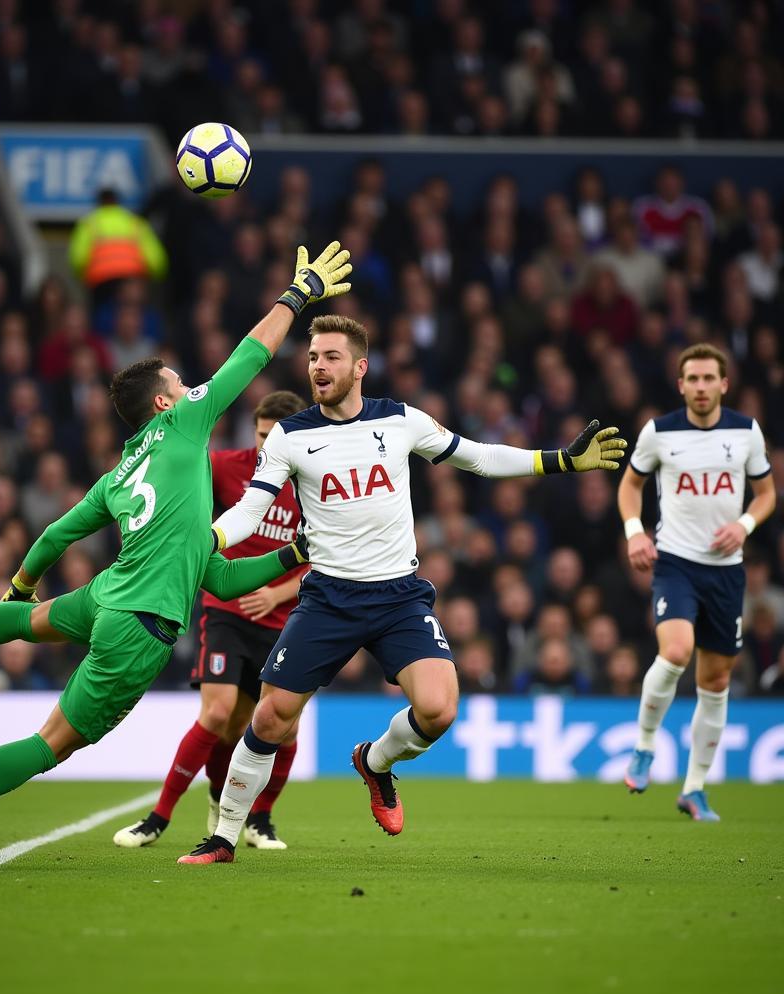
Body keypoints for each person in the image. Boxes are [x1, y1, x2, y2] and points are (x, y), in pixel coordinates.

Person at [0, 241, 353, 867]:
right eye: (181, 384)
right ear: (164, 403)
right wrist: (299, 293)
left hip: (107, 593)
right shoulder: (186, 423)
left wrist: (20, 585)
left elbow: (63, 541)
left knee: (30, 617)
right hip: (141, 627)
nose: (191, 386)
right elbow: (252, 353)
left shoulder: (119, 472)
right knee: (52, 744)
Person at [178, 313, 627, 865]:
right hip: (328, 598)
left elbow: (479, 457)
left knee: (439, 710)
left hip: (397, 597)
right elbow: (251, 510)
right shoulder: (292, 435)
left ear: (360, 366)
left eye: (331, 357)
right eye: (313, 356)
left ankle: (375, 763)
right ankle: (223, 838)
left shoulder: (399, 421)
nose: (318, 366)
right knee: (270, 718)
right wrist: (209, 539)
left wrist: (561, 460)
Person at [113, 389, 308, 851]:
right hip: (226, 612)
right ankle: (158, 817)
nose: (264, 446)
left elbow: (330, 553)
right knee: (218, 714)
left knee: (275, 725)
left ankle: (258, 818)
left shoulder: (313, 481)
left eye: (273, 437)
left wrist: (277, 592)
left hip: (286, 620)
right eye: (260, 435)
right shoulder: (224, 467)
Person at [618, 343, 775, 822]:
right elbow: (630, 485)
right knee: (677, 651)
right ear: (681, 384)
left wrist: (744, 526)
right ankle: (644, 746)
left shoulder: (746, 432)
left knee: (717, 679)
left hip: (726, 572)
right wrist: (635, 532)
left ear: (724, 384)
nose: (702, 387)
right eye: (694, 379)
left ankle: (695, 787)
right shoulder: (659, 433)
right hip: (676, 563)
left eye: (710, 379)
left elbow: (766, 494)